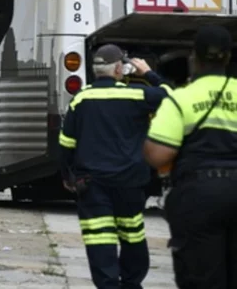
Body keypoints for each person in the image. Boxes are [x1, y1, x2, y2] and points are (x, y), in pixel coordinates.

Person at [59, 44, 172, 289]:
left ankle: (108, 285)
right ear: (119, 68)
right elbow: (172, 97)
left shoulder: (81, 99)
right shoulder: (137, 95)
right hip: (130, 183)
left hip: (92, 183)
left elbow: (66, 142)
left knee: (99, 239)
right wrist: (148, 73)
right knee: (132, 235)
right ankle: (132, 283)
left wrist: (67, 175)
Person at [144, 24, 237, 288]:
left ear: (194, 58)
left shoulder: (181, 99)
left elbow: (156, 155)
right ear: (227, 57)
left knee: (202, 278)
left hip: (199, 198)